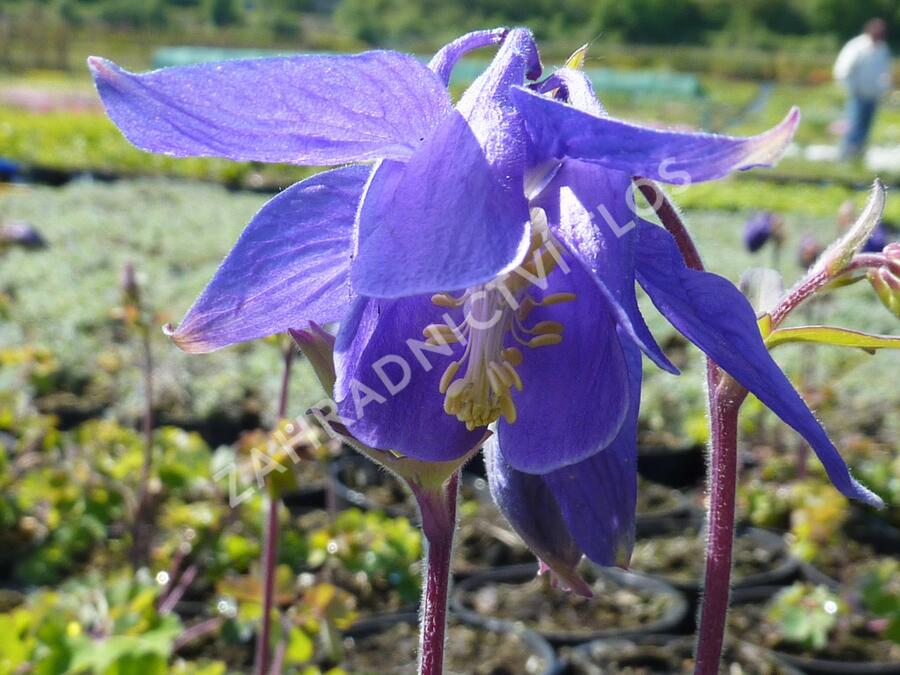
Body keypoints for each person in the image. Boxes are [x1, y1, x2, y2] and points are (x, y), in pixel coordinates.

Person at [833, 18, 892, 160]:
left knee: (865, 129)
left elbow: (884, 73)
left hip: (873, 96)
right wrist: (852, 88)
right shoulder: (857, 46)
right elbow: (843, 70)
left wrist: (883, 90)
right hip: (857, 96)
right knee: (853, 128)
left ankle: (857, 159)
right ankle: (845, 159)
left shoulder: (883, 49)